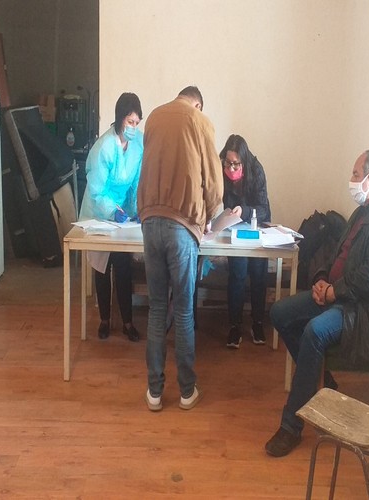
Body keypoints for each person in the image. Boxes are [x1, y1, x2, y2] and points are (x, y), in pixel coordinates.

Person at [265, 149, 369, 457]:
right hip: (337, 293)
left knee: (314, 332)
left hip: (360, 309)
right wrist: (320, 279)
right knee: (279, 312)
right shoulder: (362, 212)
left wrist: (333, 292)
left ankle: (291, 426)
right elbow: (337, 256)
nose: (351, 180)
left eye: (356, 174)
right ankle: (322, 379)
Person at [137, 86, 223, 412]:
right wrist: (211, 215)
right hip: (182, 225)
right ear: (197, 104)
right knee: (184, 310)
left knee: (157, 308)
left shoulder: (154, 117)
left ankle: (154, 393)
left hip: (149, 222)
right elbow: (213, 180)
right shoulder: (200, 121)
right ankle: (187, 391)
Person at [79, 92, 144, 342]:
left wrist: (136, 209)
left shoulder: (138, 144)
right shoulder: (104, 147)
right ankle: (104, 320)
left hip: (123, 215)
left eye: (137, 122)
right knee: (102, 267)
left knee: (123, 265)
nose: (133, 127)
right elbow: (96, 190)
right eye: (130, 122)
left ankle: (127, 322)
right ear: (119, 119)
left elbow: (136, 181)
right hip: (99, 212)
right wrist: (111, 211)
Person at [219, 134, 272, 348]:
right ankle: (235, 326)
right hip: (233, 229)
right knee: (237, 273)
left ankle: (258, 322)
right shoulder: (221, 171)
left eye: (236, 164)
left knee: (259, 274)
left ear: (244, 161)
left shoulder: (256, 170)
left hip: (256, 227)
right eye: (228, 163)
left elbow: (264, 209)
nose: (231, 168)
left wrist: (245, 211)